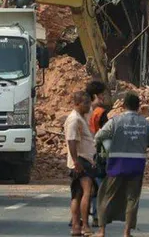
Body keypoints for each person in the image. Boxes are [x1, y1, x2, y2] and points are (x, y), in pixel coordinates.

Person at [93, 92, 149, 237]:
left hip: (117, 164)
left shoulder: (115, 121)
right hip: (137, 166)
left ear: (123, 106)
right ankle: (126, 232)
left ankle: (101, 230)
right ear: (138, 107)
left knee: (105, 195)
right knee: (132, 198)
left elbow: (99, 136)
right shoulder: (145, 124)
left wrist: (107, 146)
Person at [66, 90, 96, 237]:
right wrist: (77, 161)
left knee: (77, 194)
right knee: (86, 192)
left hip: (82, 159)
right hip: (81, 160)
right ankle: (84, 226)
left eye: (89, 103)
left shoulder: (81, 117)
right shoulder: (74, 120)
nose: (88, 106)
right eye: (85, 103)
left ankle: (76, 227)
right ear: (77, 104)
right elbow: (71, 141)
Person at [85, 79, 111, 227]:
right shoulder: (100, 113)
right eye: (101, 95)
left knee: (85, 187)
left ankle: (79, 217)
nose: (103, 98)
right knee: (100, 186)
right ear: (95, 96)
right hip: (97, 153)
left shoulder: (81, 110)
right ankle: (96, 215)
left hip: (84, 152)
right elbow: (105, 134)